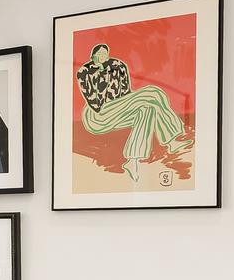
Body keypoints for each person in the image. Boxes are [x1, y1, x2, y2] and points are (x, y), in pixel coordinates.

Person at [74, 43, 191, 181]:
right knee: (153, 93)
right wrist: (103, 75)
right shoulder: (84, 71)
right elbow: (94, 102)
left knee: (147, 109)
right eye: (98, 53)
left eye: (104, 53)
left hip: (119, 110)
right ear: (92, 55)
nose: (102, 56)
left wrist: (126, 100)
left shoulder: (118, 65)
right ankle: (171, 139)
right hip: (97, 116)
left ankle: (132, 160)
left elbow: (126, 92)